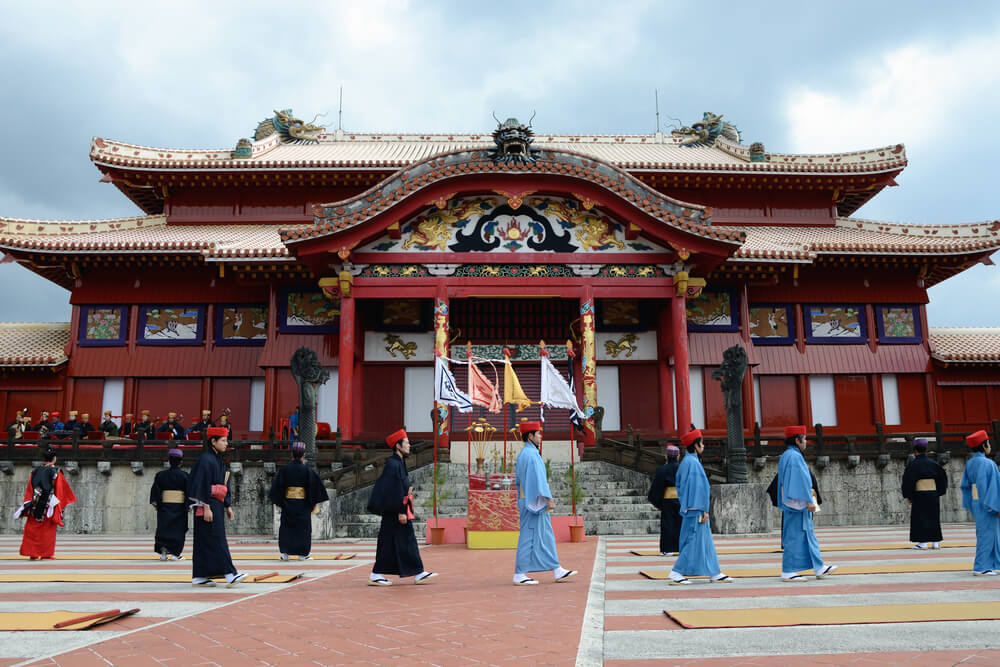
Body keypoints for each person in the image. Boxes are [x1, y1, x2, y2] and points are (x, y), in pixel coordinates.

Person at [367, 429, 437, 586]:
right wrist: (400, 511)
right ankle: (377, 573)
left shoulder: (398, 463)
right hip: (396, 512)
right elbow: (393, 490)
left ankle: (417, 572)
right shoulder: (393, 464)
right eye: (406, 442)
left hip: (400, 510)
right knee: (393, 542)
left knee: (403, 542)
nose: (409, 445)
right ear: (398, 446)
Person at [511, 421, 577, 586]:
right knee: (529, 537)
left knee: (545, 536)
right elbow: (538, 481)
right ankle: (519, 573)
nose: (541, 436)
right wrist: (548, 499)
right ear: (530, 436)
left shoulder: (525, 454)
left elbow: (520, 481)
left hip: (530, 500)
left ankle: (556, 568)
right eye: (538, 433)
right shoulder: (531, 455)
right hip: (533, 502)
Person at [668, 429, 733, 585]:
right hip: (695, 508)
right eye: (701, 443)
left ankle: (714, 572)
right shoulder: (692, 463)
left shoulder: (689, 462)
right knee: (692, 539)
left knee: (705, 541)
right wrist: (702, 509)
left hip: (694, 507)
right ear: (695, 445)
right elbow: (696, 488)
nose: (703, 446)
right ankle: (676, 572)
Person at [187, 426, 246, 587]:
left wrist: (228, 506)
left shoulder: (217, 460)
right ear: (213, 441)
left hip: (216, 504)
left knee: (205, 540)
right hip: (208, 504)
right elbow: (199, 484)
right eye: (223, 440)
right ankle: (230, 573)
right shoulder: (205, 460)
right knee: (216, 538)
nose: (226, 444)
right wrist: (205, 506)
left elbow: (223, 484)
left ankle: (199, 576)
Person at [778, 425, 837, 582]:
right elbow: (799, 482)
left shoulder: (788, 455)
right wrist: (809, 500)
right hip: (797, 503)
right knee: (794, 537)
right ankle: (788, 570)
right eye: (804, 439)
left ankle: (818, 567)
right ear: (797, 440)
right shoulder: (794, 457)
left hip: (795, 502)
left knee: (808, 535)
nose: (806, 443)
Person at [269, 441, 330, 560]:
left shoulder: (284, 470)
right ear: (303, 455)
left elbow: (278, 487)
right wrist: (312, 503)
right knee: (303, 529)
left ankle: (285, 554)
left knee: (287, 528)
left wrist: (281, 502)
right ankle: (303, 554)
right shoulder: (308, 470)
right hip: (303, 504)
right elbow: (314, 488)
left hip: (287, 503)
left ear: (292, 454)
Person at [15, 447, 77, 559]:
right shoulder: (56, 472)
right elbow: (60, 490)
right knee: (48, 530)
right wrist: (59, 505)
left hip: (35, 501)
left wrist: (28, 502)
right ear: (54, 459)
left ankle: (32, 553)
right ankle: (46, 553)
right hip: (49, 504)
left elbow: (30, 488)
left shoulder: (35, 471)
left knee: (32, 528)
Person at [960, 430, 1000, 576]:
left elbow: (965, 486)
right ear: (984, 446)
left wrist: (971, 504)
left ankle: (994, 564)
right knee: (988, 534)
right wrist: (995, 505)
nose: (989, 446)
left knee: (987, 533)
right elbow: (992, 486)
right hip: (989, 503)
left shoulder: (970, 463)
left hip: (977, 503)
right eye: (988, 443)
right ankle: (981, 566)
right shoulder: (988, 464)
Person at [901, 438, 948, 549]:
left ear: (915, 451)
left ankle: (923, 542)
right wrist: (939, 492)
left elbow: (908, 481)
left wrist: (909, 496)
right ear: (925, 449)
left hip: (919, 494)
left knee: (920, 517)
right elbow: (942, 479)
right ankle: (936, 542)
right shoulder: (934, 464)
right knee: (934, 517)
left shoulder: (912, 465)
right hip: (933, 493)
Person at [150, 448, 190, 560]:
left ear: (169, 461)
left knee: (163, 529)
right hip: (180, 507)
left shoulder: (160, 475)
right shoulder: (185, 476)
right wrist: (188, 506)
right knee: (178, 530)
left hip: (164, 507)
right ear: (181, 462)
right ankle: (175, 554)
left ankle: (163, 554)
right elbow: (189, 492)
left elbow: (155, 492)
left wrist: (156, 504)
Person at [647, 444, 682, 556]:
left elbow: (655, 489)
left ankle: (668, 549)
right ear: (678, 456)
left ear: (666, 456)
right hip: (683, 500)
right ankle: (683, 548)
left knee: (668, 525)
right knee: (682, 524)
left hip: (667, 501)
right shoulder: (683, 469)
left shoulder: (661, 470)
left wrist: (659, 504)